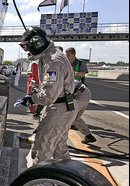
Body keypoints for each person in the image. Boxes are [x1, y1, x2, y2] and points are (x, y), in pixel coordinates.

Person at [14, 26, 77, 166]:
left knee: (40, 151)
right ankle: (66, 182)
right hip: (65, 107)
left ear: (37, 43)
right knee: (59, 150)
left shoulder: (53, 60)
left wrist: (32, 99)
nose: (27, 51)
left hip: (58, 109)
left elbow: (48, 96)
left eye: (27, 47)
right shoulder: (50, 55)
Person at [72, 79, 97, 144]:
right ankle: (89, 136)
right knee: (75, 117)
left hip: (81, 94)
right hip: (83, 92)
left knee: (69, 115)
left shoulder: (54, 79)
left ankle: (59, 139)